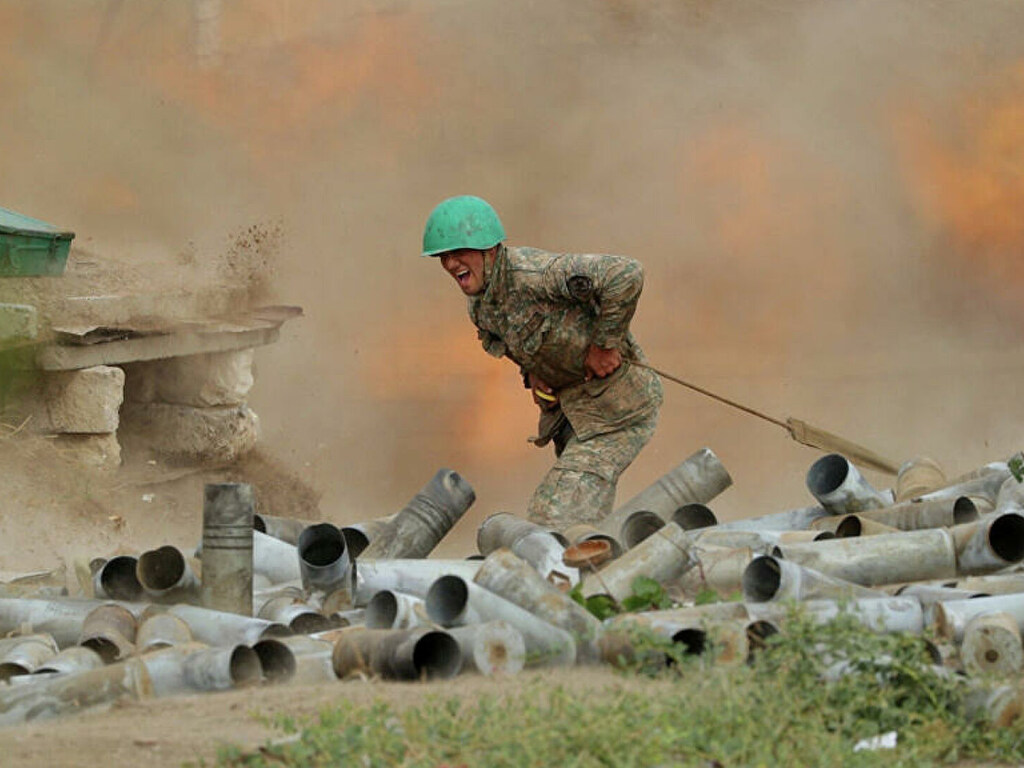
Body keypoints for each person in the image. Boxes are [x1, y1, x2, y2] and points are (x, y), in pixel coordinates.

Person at [422, 195, 663, 529]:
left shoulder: (536, 275)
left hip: (618, 412)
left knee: (556, 516)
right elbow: (517, 341)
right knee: (582, 520)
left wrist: (604, 345)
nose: (450, 264)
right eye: (443, 257)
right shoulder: (481, 306)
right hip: (574, 418)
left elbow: (626, 274)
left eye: (459, 253)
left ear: (489, 250)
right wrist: (533, 373)